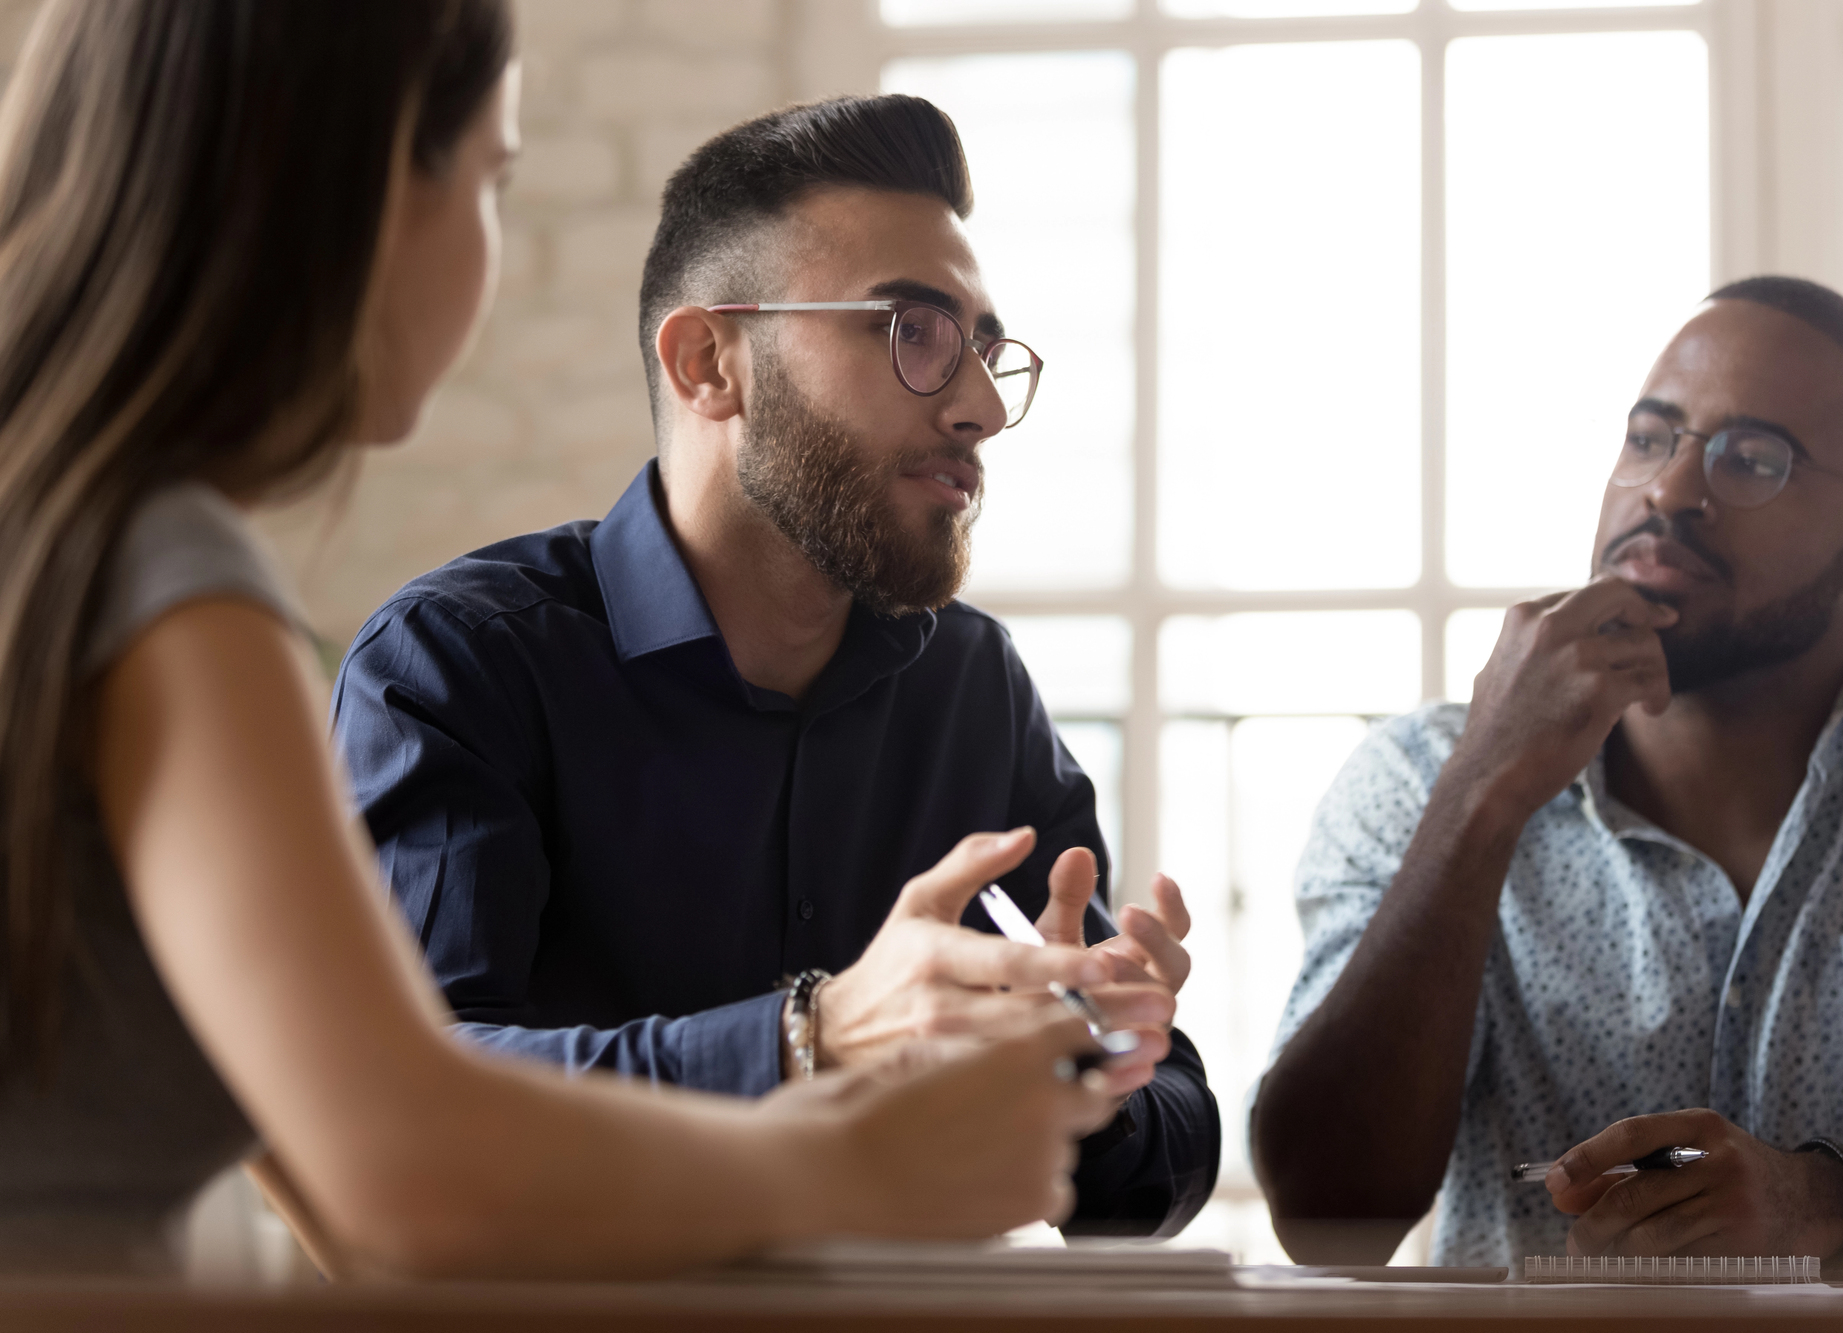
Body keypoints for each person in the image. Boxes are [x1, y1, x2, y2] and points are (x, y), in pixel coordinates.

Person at [0, 0, 1117, 1279]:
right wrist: (858, 1130)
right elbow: (405, 1166)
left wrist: (1089, 1043)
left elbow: (334, 1147)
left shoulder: (68, 548)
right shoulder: (173, 583)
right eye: (491, 178)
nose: (976, 404)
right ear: (353, 185)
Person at [331, 94, 1220, 1237]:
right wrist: (815, 1036)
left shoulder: (971, 685)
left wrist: (1083, 1057)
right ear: (709, 363)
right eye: (911, 330)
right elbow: (414, 1095)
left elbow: (1164, 1163)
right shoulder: (457, 665)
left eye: (984, 347)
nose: (983, 406)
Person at [1252, 276, 1843, 1272]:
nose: (1669, 491)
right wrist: (1483, 794)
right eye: (1650, 439)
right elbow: (1322, 1216)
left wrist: (1829, 1196)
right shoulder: (1418, 775)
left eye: (1752, 459)